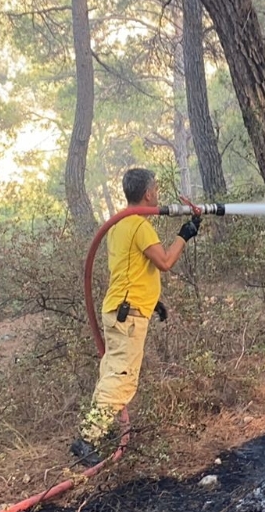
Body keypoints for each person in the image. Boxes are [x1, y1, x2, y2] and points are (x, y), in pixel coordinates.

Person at [72, 167, 200, 465]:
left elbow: (130, 270)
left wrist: (153, 302)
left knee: (112, 373)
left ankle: (98, 431)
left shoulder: (120, 224)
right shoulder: (139, 226)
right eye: (156, 188)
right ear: (148, 193)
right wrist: (185, 233)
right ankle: (88, 439)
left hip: (120, 309)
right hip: (127, 315)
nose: (158, 193)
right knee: (122, 378)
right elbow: (165, 261)